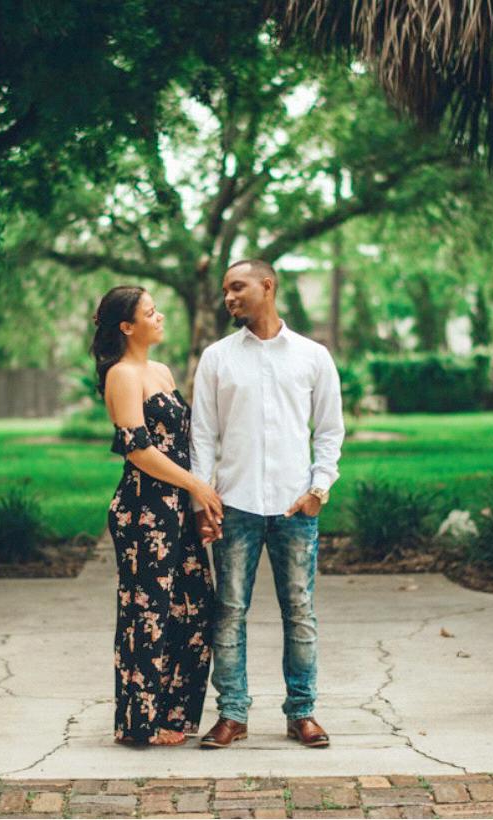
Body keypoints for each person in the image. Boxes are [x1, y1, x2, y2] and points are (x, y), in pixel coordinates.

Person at [190, 259, 345, 749]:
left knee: (299, 611)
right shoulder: (217, 358)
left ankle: (302, 713)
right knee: (229, 612)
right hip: (234, 505)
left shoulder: (313, 356)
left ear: (267, 286)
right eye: (225, 290)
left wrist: (319, 490)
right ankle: (232, 714)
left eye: (237, 287)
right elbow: (202, 435)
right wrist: (202, 497)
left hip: (294, 508)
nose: (229, 297)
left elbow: (330, 430)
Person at [91, 285, 223, 746]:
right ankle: (140, 721)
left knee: (193, 608)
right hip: (144, 509)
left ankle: (175, 713)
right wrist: (196, 485)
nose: (160, 316)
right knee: (148, 612)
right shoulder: (123, 375)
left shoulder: (161, 371)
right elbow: (138, 450)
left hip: (177, 508)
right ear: (128, 326)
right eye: (150, 312)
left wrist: (196, 496)